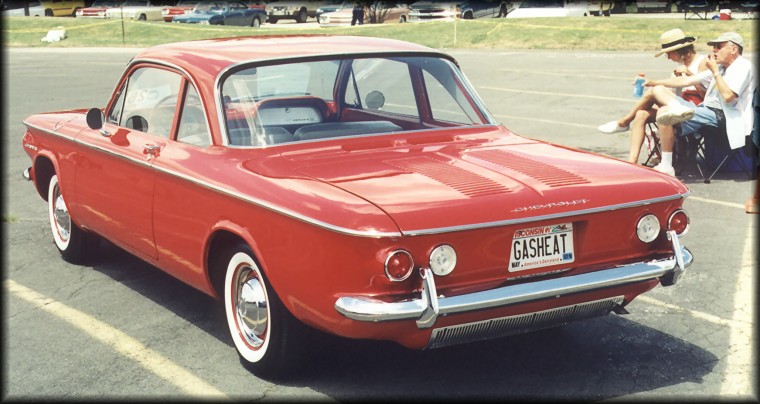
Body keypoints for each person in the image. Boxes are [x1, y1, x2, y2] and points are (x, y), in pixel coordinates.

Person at [650, 32, 755, 176]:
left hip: (724, 115)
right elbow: (685, 81)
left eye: (718, 47)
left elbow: (728, 96)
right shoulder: (723, 67)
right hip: (705, 110)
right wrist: (653, 82)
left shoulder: (743, 66)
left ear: (733, 49)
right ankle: (677, 109)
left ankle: (667, 165)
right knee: (658, 90)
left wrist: (716, 72)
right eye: (713, 47)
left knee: (665, 114)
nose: (714, 50)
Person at [598, 29, 708, 164]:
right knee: (641, 114)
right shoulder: (679, 67)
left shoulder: (702, 62)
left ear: (678, 50)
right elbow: (672, 96)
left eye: (668, 54)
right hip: (676, 108)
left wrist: (690, 74)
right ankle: (632, 161)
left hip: (696, 111)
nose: (668, 58)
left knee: (654, 89)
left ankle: (624, 121)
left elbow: (708, 96)